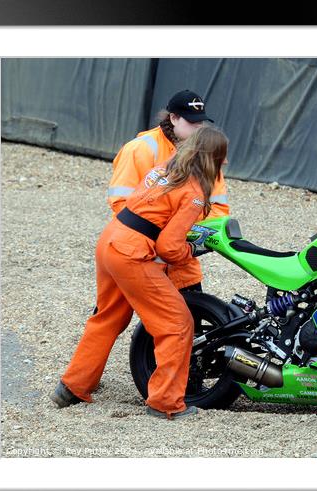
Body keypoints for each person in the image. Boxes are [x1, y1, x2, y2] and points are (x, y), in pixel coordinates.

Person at [50, 126, 229, 420]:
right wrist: (193, 250)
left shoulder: (164, 170)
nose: (224, 163)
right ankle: (165, 403)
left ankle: (72, 387)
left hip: (110, 241)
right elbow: (169, 248)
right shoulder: (195, 191)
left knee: (108, 317)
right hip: (130, 254)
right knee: (177, 322)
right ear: (212, 157)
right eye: (221, 157)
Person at [107, 89, 230, 292]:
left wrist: (182, 235)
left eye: (201, 123)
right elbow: (121, 203)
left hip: (180, 258)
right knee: (113, 314)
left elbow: (219, 209)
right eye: (192, 123)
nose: (198, 128)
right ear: (173, 118)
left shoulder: (207, 157)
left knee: (190, 315)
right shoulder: (140, 149)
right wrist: (163, 236)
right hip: (138, 254)